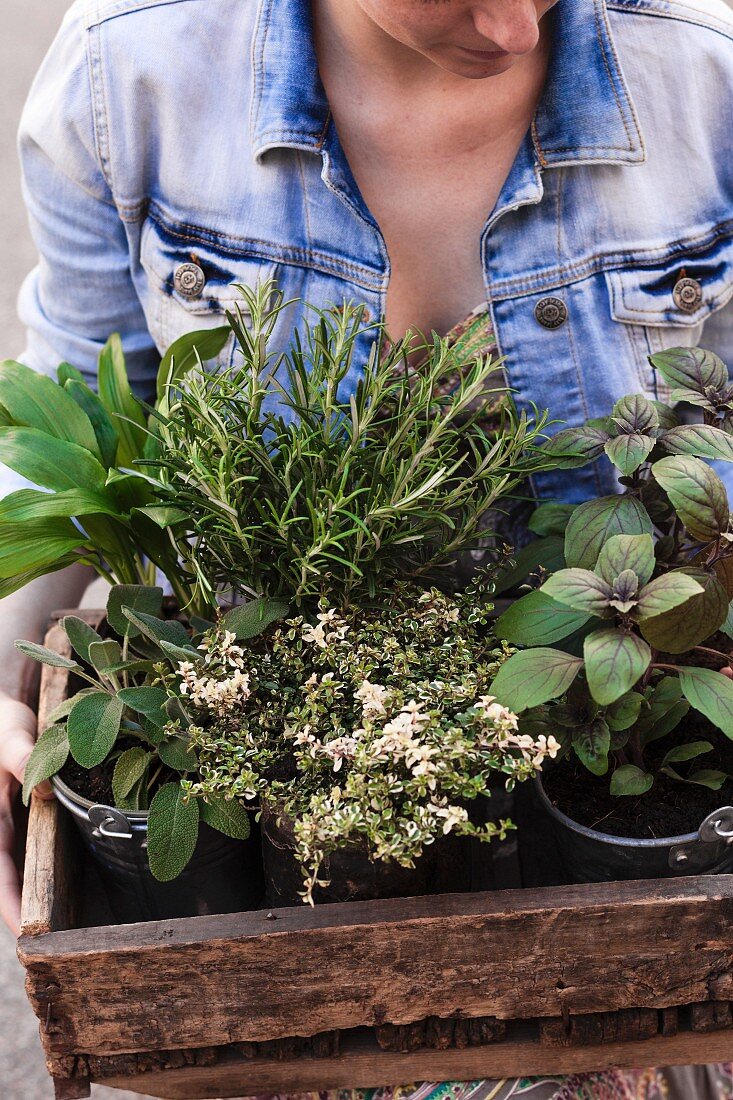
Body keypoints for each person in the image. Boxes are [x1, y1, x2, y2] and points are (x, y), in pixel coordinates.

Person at [1, 0, 732, 1096]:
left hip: (610, 773)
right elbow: (73, 417)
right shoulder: (131, 74)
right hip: (263, 829)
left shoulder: (702, 65)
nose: (514, 29)